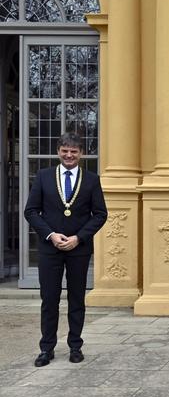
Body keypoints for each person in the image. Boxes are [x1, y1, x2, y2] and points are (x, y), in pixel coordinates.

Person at [24, 132, 108, 367]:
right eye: (65, 150)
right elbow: (31, 211)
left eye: (74, 151)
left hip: (78, 249)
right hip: (49, 248)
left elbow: (100, 214)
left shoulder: (91, 179)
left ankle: (75, 346)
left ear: (81, 153)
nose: (69, 155)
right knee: (49, 299)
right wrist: (51, 235)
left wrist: (78, 238)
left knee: (76, 299)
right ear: (58, 151)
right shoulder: (43, 176)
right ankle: (46, 349)